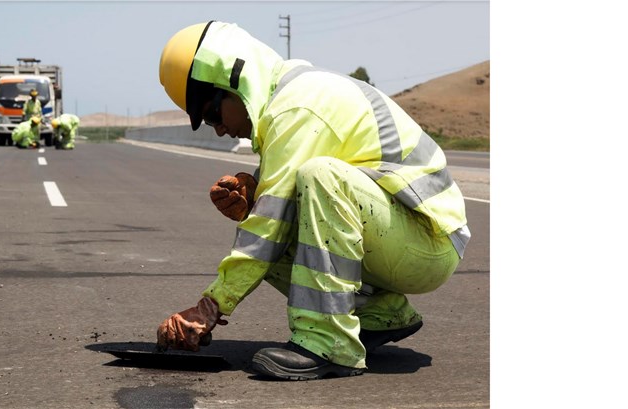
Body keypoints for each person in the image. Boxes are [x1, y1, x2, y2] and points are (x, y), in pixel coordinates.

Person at [155, 21, 470, 381]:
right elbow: (278, 209)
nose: (220, 130)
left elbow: (268, 227)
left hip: (429, 239)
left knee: (316, 180)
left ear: (234, 80)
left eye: (211, 115)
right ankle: (379, 314)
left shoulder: (297, 106)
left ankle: (328, 343)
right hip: (403, 233)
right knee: (275, 206)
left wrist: (208, 308)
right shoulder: (288, 98)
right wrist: (256, 190)